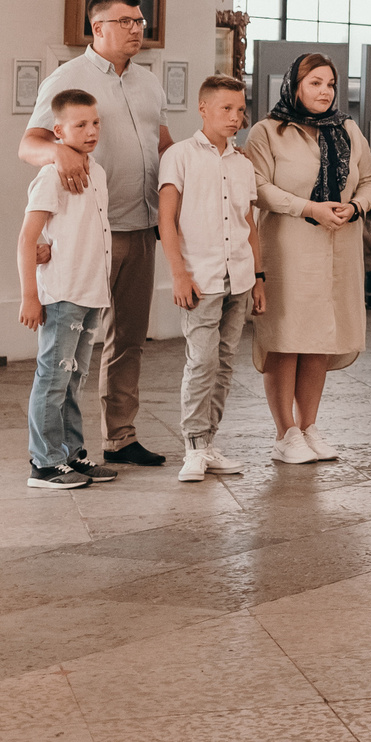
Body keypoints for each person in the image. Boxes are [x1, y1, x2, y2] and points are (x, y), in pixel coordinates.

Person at [22, 0, 172, 467]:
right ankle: (63, 450)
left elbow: (162, 143)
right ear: (98, 28)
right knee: (73, 347)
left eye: (140, 20)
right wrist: (59, 151)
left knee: (129, 339)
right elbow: (30, 143)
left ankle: (121, 437)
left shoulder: (150, 83)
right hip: (88, 238)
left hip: (141, 225)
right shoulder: (69, 78)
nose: (136, 28)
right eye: (125, 21)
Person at [244, 53, 371, 464]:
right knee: (286, 339)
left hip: (339, 248)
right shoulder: (267, 132)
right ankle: (285, 434)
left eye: (331, 84)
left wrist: (354, 207)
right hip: (289, 248)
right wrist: (308, 207)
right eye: (315, 82)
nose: (325, 91)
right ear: (296, 85)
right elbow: (258, 187)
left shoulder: (348, 130)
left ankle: (309, 427)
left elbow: (370, 180)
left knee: (319, 338)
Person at [158, 75, 264, 483]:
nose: (235, 117)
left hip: (238, 279)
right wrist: (178, 274)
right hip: (199, 279)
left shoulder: (243, 164)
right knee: (200, 362)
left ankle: (209, 442)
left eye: (240, 110)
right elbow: (166, 220)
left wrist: (259, 278)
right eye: (226, 109)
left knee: (223, 364)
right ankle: (193, 446)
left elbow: (249, 224)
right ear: (203, 109)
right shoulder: (180, 156)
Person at [18, 89, 116, 489]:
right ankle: (43, 462)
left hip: (91, 291)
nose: (91, 131)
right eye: (81, 125)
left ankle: (72, 455)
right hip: (62, 294)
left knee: (75, 379)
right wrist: (30, 295)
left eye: (95, 123)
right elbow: (28, 238)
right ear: (58, 131)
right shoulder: (50, 175)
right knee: (53, 378)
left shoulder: (99, 172)